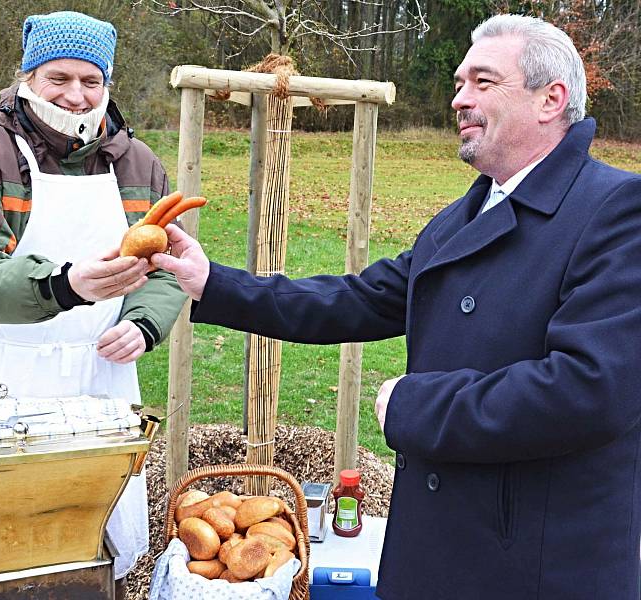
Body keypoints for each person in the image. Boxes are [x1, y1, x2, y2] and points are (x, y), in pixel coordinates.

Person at [152, 14, 641, 600]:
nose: (459, 97)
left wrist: (414, 406)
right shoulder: (462, 217)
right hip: (432, 556)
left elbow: (590, 390)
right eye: (459, 82)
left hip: (532, 568)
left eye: (483, 82)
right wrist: (214, 283)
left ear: (550, 99)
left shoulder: (615, 212)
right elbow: (357, 300)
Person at [0, 10, 186, 592]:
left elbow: (167, 267)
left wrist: (144, 324)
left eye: (90, 81)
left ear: (108, 86)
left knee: (96, 535)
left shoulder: (138, 164)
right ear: (27, 78)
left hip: (102, 373)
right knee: (1, 536)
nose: (75, 96)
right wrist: (63, 285)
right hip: (1, 375)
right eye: (58, 78)